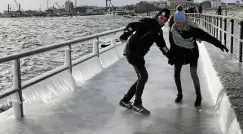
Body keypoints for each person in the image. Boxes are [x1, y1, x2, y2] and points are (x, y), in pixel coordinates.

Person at [168, 11, 228, 106]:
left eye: (181, 22)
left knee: (193, 74)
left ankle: (198, 96)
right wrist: (170, 57)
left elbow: (206, 36)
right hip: (179, 54)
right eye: (177, 22)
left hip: (192, 54)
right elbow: (172, 44)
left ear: (184, 22)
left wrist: (219, 44)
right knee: (176, 74)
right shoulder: (172, 31)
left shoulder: (192, 30)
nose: (179, 24)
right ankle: (179, 94)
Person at [119, 8, 172, 115]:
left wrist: (170, 56)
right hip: (132, 52)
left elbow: (162, 46)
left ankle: (125, 101)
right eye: (161, 18)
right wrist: (125, 34)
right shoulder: (147, 22)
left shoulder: (158, 32)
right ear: (157, 16)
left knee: (141, 77)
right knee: (143, 76)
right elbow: (132, 25)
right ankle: (137, 104)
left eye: (164, 20)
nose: (162, 21)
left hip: (139, 55)